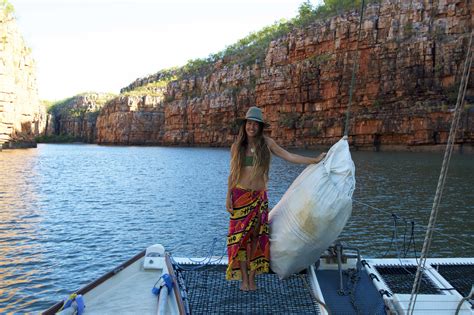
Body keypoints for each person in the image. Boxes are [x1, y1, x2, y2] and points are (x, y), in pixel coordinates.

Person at [225, 106, 326, 291]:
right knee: (241, 239)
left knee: (257, 237)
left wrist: (314, 160)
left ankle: (253, 279)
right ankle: (244, 280)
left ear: (260, 126)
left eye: (255, 124)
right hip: (240, 197)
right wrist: (227, 198)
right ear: (244, 125)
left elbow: (289, 156)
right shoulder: (237, 147)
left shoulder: (267, 144)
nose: (252, 127)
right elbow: (232, 174)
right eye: (249, 123)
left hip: (259, 198)